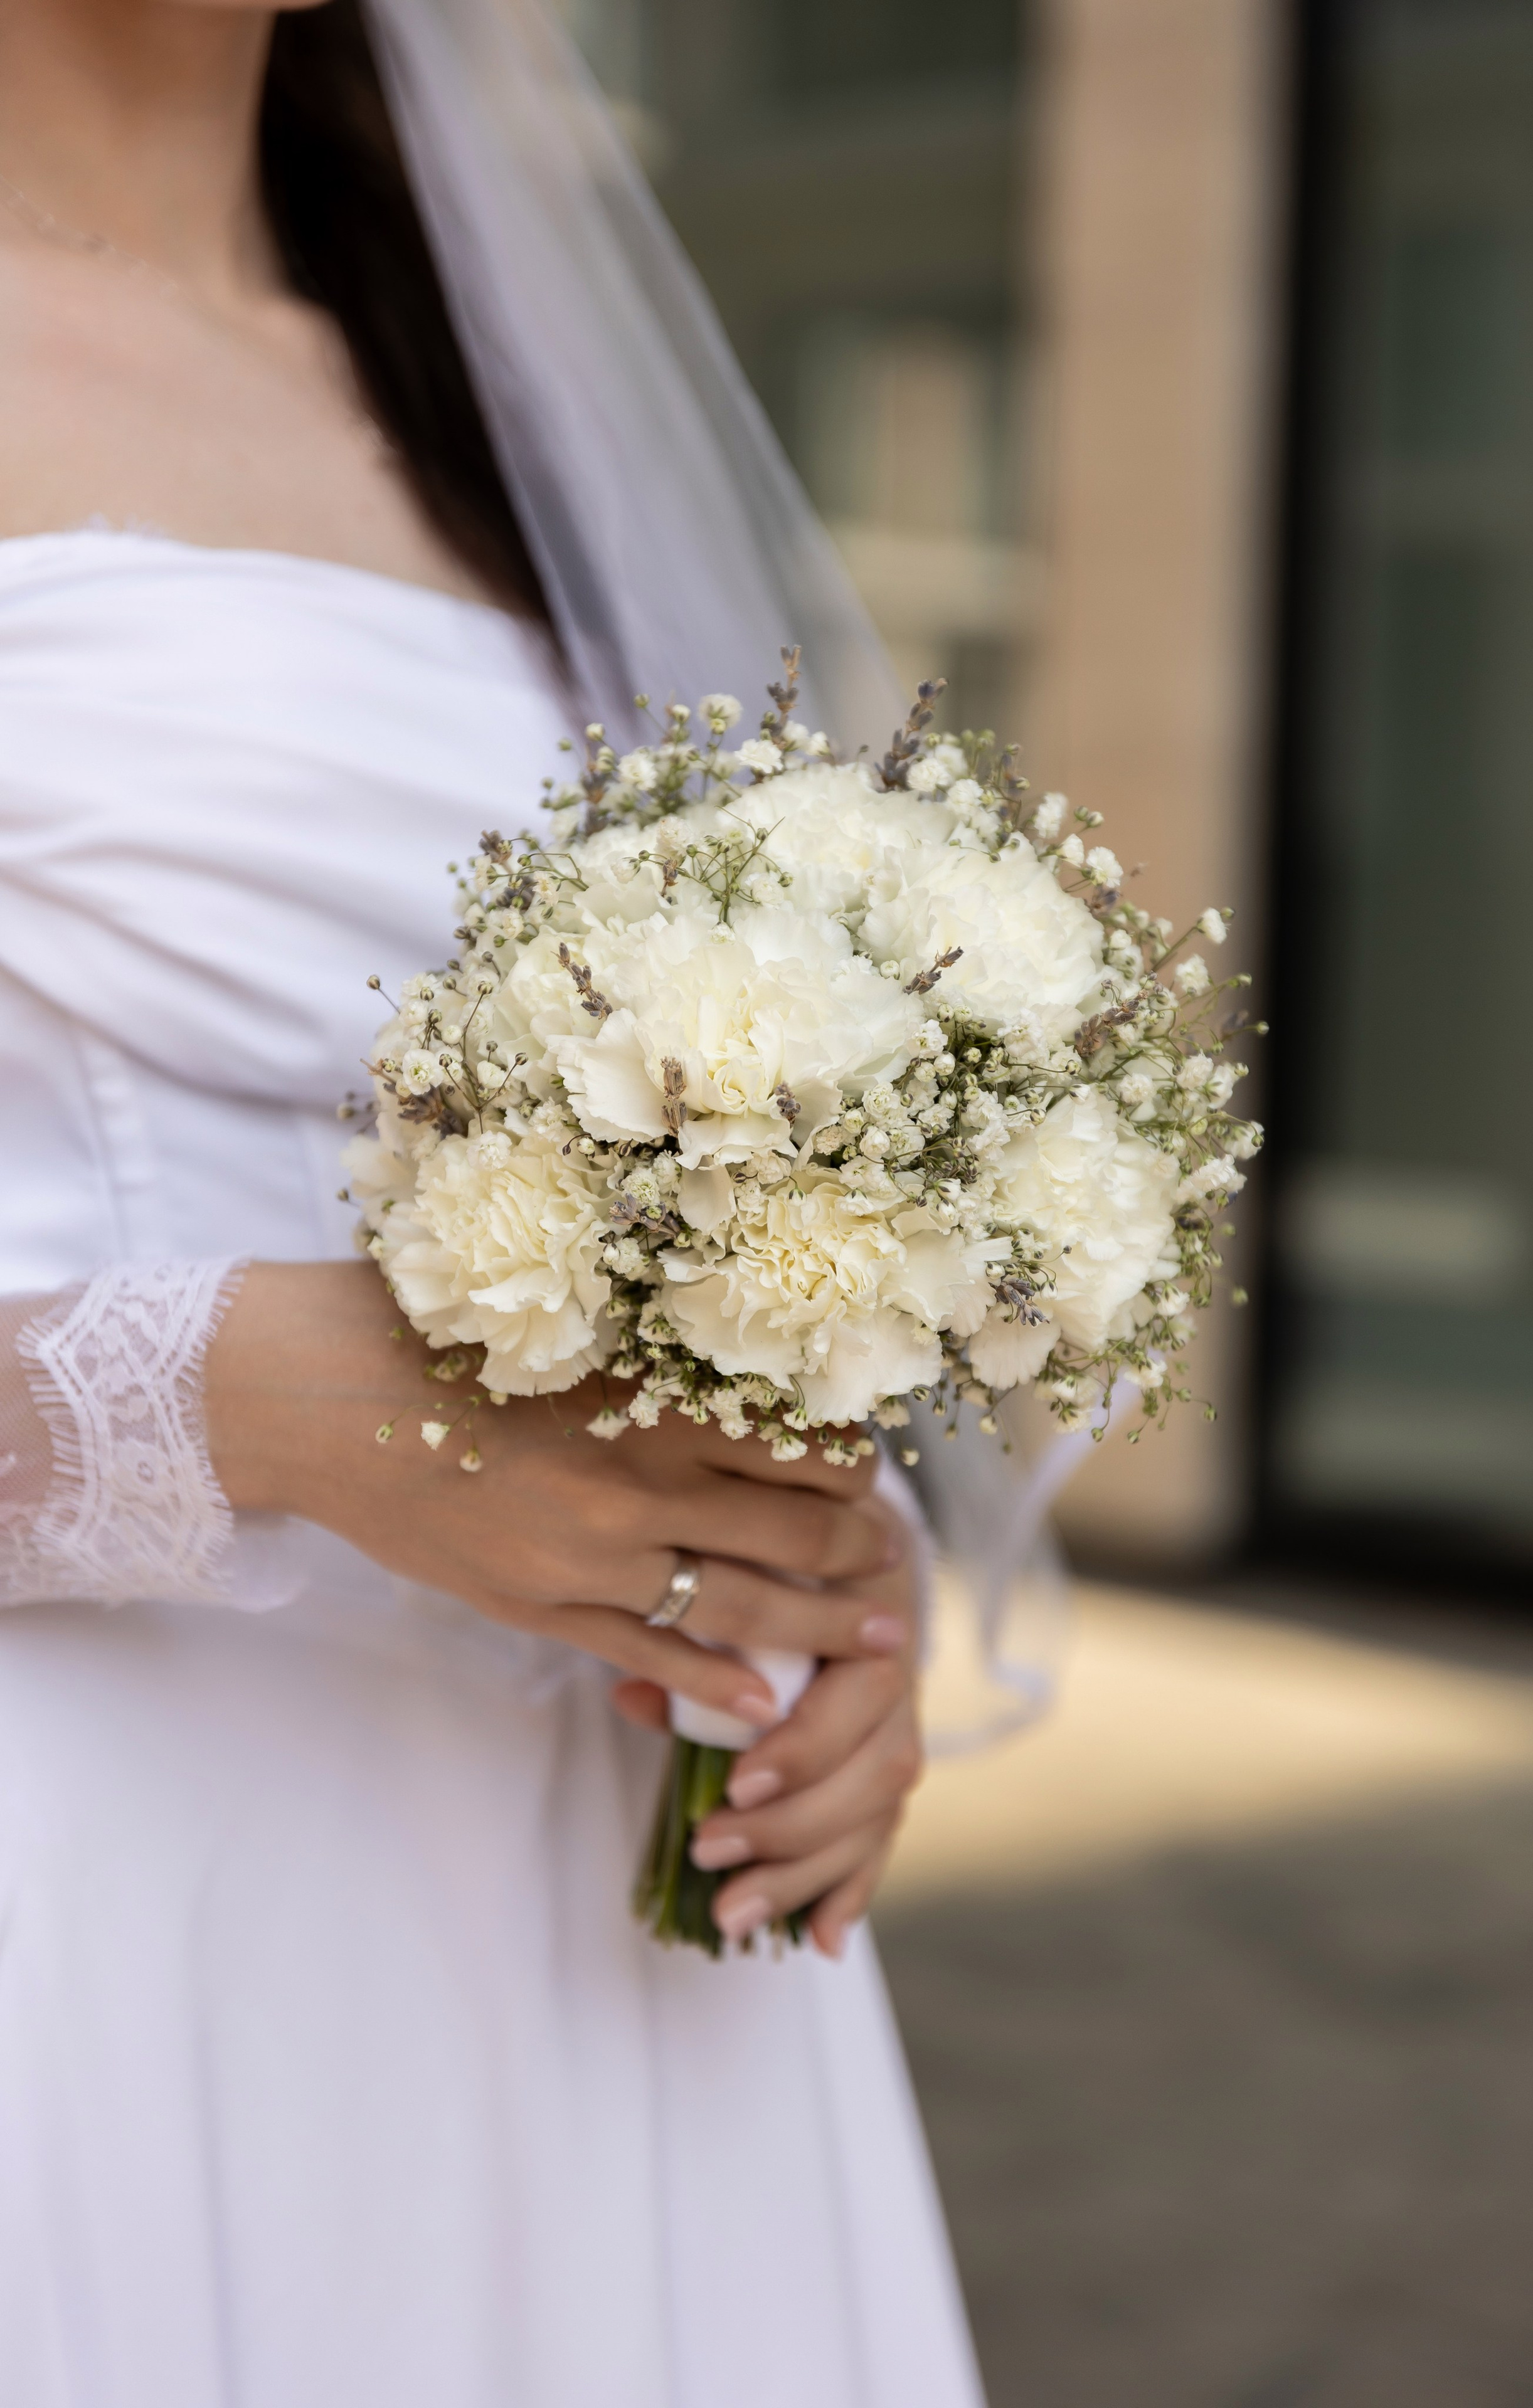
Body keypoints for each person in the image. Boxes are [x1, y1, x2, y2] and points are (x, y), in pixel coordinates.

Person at [0, 2, 986, 2402]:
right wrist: (238, 1400)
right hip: (97, 1906)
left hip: (586, 1943)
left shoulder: (478, 371)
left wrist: (813, 1562)